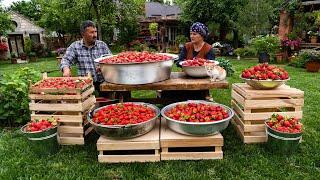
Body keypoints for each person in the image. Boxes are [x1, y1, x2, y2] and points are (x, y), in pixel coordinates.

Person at [160, 22, 215, 102]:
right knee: (168, 92)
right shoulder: (187, 46)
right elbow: (179, 61)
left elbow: (211, 65)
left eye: (194, 34)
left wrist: (199, 65)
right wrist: (187, 63)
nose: (191, 36)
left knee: (196, 96)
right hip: (186, 76)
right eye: (191, 34)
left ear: (202, 36)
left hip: (201, 80)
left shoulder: (208, 49)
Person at [60, 20, 111, 96]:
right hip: (85, 83)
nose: (95, 35)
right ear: (83, 34)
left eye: (95, 31)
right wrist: (66, 69)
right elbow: (66, 59)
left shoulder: (102, 45)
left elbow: (111, 60)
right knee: (88, 105)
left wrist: (104, 67)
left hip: (102, 81)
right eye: (91, 32)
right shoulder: (75, 46)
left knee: (107, 102)